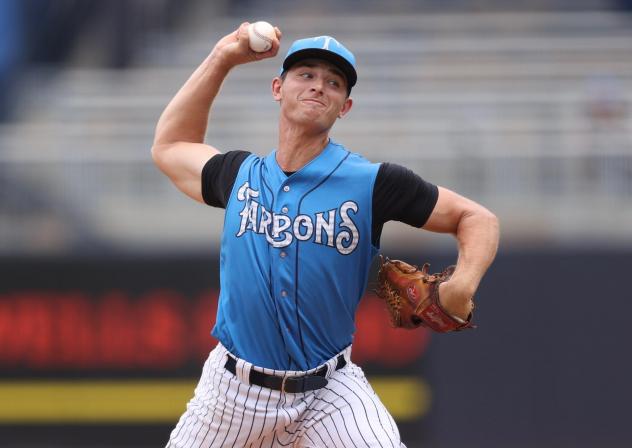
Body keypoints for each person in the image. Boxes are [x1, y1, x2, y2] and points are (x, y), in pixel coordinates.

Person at [152, 22, 499, 448]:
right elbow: (170, 146)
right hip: (230, 396)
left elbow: (477, 219)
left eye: (333, 82)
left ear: (345, 106)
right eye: (307, 75)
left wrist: (462, 285)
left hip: (329, 393)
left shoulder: (372, 182)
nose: (319, 86)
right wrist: (223, 56)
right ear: (278, 88)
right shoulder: (240, 176)